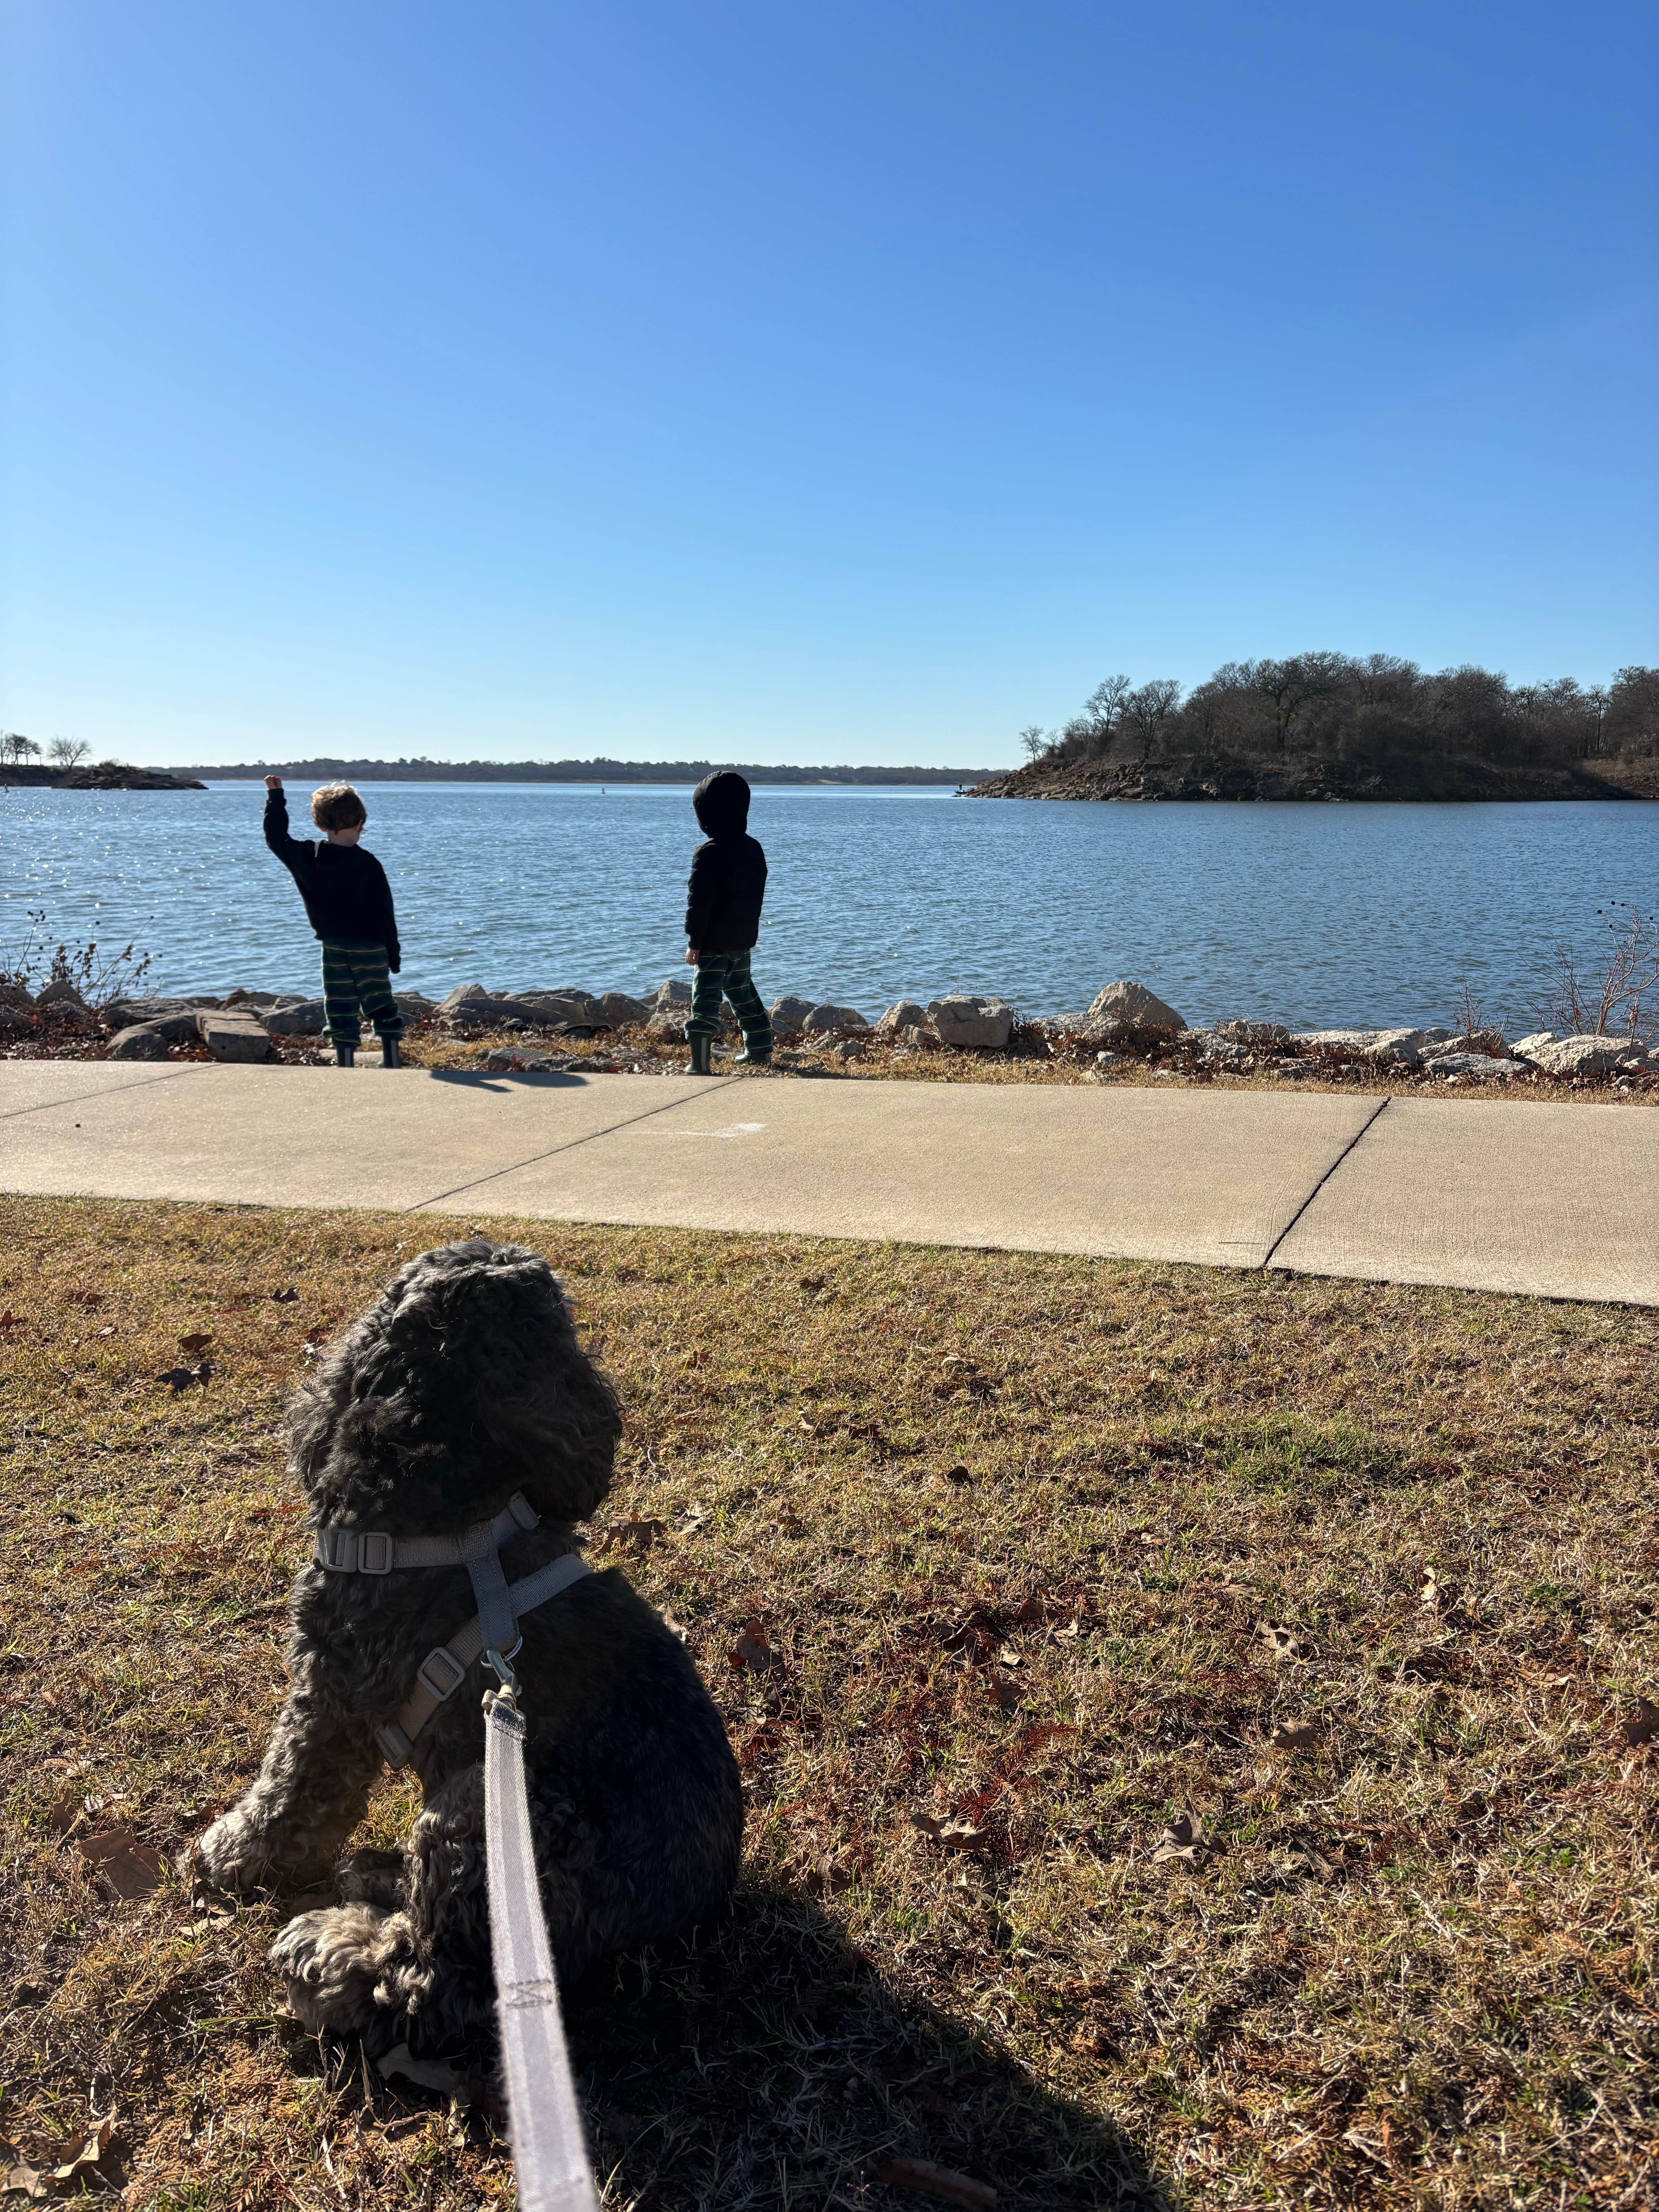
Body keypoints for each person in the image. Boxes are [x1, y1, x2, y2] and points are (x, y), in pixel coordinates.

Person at [263, 777, 404, 1068]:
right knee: (380, 1002)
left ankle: (345, 1062)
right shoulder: (369, 864)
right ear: (361, 822)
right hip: (371, 945)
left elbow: (275, 837)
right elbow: (385, 912)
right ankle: (391, 1060)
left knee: (339, 1003)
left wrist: (276, 798)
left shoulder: (305, 856)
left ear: (320, 825)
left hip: (333, 945)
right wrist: (394, 953)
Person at [682, 770, 772, 1075]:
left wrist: (695, 942)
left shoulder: (708, 853)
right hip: (743, 939)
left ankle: (700, 1063)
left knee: (705, 997)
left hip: (714, 943)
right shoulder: (753, 848)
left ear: (705, 816)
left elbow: (700, 903)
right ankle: (759, 1049)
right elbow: (755, 894)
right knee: (743, 993)